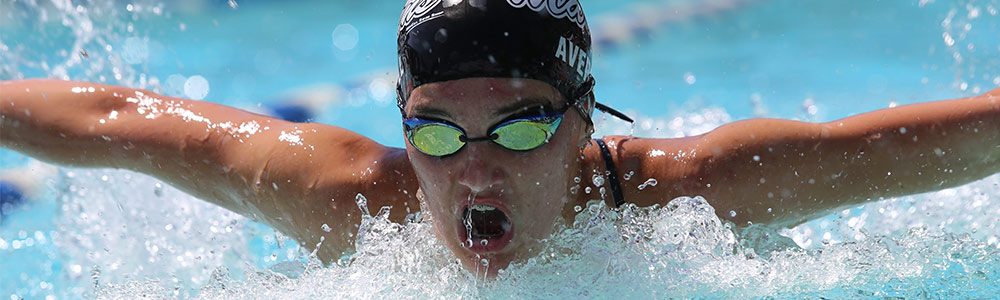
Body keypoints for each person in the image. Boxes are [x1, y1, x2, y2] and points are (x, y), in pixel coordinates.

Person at [1, 0, 998, 276]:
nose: (474, 166)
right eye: (436, 133)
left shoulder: (689, 194)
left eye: (520, 126)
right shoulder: (351, 200)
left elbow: (957, 142)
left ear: (581, 126)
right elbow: (114, 122)